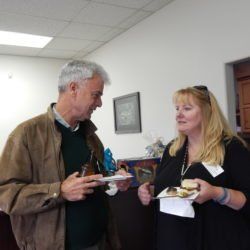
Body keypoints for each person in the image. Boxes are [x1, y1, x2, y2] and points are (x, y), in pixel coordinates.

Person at [0, 60, 131, 250]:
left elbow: (99, 178)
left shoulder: (91, 136)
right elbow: (5, 195)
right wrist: (59, 191)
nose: (100, 103)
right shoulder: (26, 135)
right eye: (96, 95)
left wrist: (116, 179)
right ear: (73, 88)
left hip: (100, 242)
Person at [138, 85, 250, 250]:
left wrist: (216, 192)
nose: (179, 114)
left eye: (187, 108)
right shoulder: (173, 149)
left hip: (217, 240)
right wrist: (150, 191)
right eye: (177, 108)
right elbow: (171, 187)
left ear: (207, 112)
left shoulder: (231, 147)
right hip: (172, 239)